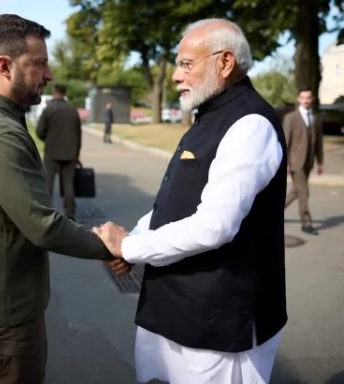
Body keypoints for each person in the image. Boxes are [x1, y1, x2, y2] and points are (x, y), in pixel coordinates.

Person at [94, 19, 287, 384]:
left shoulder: (250, 123)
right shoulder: (210, 115)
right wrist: (129, 242)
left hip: (217, 325)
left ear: (225, 63)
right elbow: (175, 203)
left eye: (186, 64)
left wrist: (132, 246)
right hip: (169, 310)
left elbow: (214, 226)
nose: (175, 76)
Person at [0, 14, 128, 384]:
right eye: (39, 64)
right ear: (4, 66)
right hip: (5, 313)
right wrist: (110, 246)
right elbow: (42, 225)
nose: (47, 75)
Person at [36, 84, 81, 220]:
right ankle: (70, 213)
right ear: (64, 93)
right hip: (70, 154)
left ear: (54, 92)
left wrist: (48, 140)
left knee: (48, 184)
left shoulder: (48, 109)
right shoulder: (73, 110)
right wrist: (76, 153)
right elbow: (78, 134)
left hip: (51, 153)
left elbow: (39, 131)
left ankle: (46, 214)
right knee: (69, 185)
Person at [283, 87, 323, 235]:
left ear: (312, 99)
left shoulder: (316, 117)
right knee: (304, 191)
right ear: (299, 99)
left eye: (308, 98)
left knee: (296, 191)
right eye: (303, 98)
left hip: (309, 162)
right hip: (295, 162)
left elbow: (318, 143)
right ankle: (306, 223)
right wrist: (286, 163)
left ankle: (274, 211)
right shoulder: (290, 118)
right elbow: (285, 142)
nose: (306, 100)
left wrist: (320, 162)